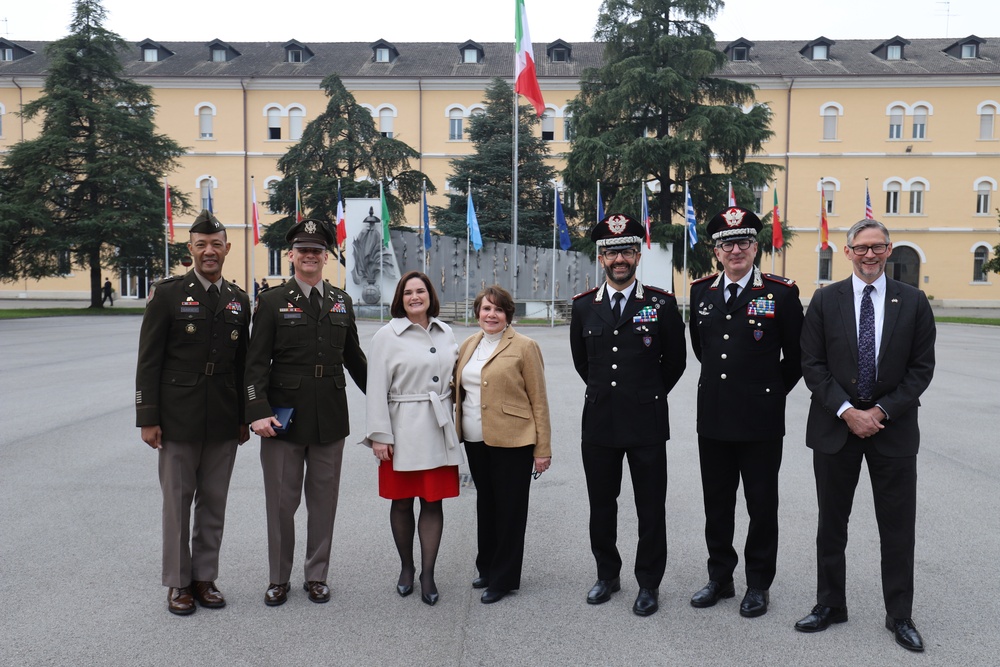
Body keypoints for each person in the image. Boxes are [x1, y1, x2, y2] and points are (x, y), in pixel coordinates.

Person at [794, 219, 935, 652]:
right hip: (836, 428)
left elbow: (921, 369)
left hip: (891, 431)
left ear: (889, 250)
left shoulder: (913, 302)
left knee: (897, 528)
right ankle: (830, 604)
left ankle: (900, 615)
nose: (869, 255)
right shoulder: (824, 300)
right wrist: (847, 411)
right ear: (848, 250)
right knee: (831, 525)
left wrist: (879, 411)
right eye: (862, 247)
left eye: (878, 247)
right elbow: (812, 364)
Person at [687, 207, 804, 618]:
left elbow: (797, 358)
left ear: (756, 247)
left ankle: (758, 584)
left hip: (760, 421)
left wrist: (767, 394)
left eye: (743, 242)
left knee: (761, 505)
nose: (735, 250)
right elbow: (702, 351)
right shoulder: (700, 291)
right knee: (716, 505)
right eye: (726, 244)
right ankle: (720, 578)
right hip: (715, 418)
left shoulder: (781, 292)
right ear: (716, 252)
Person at [245, 218, 367, 607]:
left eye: (317, 250)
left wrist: (387, 402)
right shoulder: (271, 301)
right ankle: (278, 578)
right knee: (281, 504)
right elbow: (255, 363)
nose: (310, 256)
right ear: (292, 255)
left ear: (326, 257)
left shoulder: (340, 301)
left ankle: (317, 576)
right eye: (304, 250)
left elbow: (356, 361)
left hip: (330, 416)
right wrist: (257, 411)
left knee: (323, 502)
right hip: (283, 419)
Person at [569, 213, 687, 617]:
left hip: (646, 423)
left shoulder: (661, 303)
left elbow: (675, 362)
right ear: (602, 258)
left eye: (626, 251)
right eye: (611, 252)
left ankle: (649, 583)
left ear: (638, 255)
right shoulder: (584, 307)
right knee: (602, 504)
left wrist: (645, 395)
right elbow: (582, 362)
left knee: (650, 507)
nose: (619, 259)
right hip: (600, 422)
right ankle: (607, 574)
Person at [134, 209, 251, 615]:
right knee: (177, 503)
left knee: (213, 503)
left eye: (216, 244)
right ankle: (178, 583)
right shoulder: (168, 294)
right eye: (201, 245)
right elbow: (148, 361)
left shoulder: (239, 300)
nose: (209, 252)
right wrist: (148, 416)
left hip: (222, 416)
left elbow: (242, 364)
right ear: (191, 249)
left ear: (227, 248)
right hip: (177, 417)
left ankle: (204, 578)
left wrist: (244, 415)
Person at [364, 271, 463, 606]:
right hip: (402, 429)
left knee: (433, 501)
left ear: (430, 295)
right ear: (400, 299)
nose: (415, 297)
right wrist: (379, 436)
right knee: (402, 501)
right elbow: (375, 388)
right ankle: (407, 567)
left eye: (421, 291)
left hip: (437, 429)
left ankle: (428, 573)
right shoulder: (386, 335)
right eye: (408, 292)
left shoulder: (446, 330)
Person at [455, 285, 552, 605]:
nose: (491, 315)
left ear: (508, 315)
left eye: (498, 309)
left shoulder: (525, 346)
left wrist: (543, 448)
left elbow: (539, 400)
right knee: (487, 503)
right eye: (485, 309)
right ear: (477, 313)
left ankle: (505, 577)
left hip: (514, 439)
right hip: (474, 438)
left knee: (510, 509)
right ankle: (487, 566)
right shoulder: (469, 344)